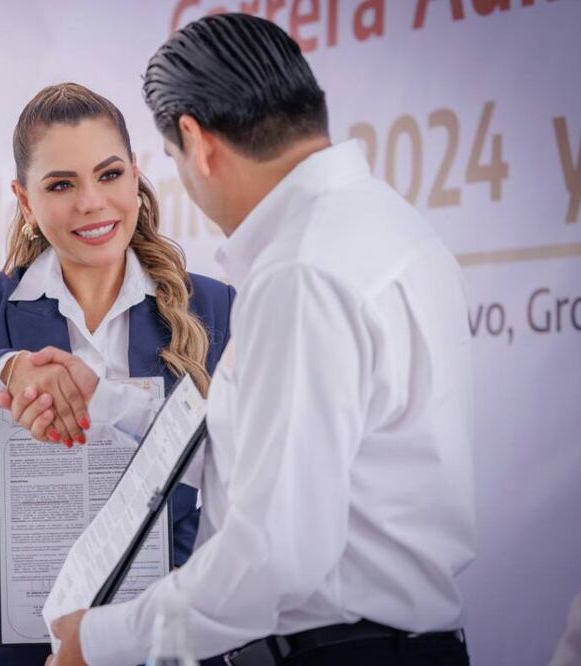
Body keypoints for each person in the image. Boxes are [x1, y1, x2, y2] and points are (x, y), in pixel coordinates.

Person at [41, 13, 476, 666]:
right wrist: (105, 402)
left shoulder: (300, 269)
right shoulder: (384, 225)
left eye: (169, 160)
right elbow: (258, 457)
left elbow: (277, 554)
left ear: (197, 139)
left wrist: (98, 641)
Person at [0, 82, 235, 666]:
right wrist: (5, 370)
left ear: (136, 175)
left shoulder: (212, 307)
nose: (91, 202)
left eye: (109, 175)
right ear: (24, 198)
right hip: (17, 648)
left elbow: (243, 474)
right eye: (61, 184)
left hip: (163, 642)